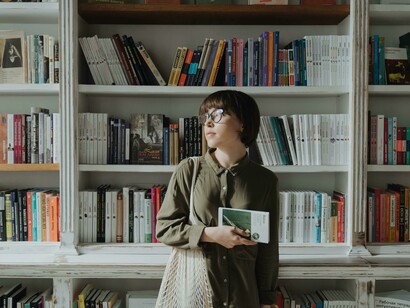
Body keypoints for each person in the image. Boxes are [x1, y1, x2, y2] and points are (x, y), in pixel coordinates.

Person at [156, 90, 279, 308]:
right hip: (195, 295)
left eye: (218, 114)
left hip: (244, 297)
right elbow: (165, 229)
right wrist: (209, 234)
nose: (208, 123)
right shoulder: (189, 170)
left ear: (242, 122)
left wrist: (267, 300)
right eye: (205, 117)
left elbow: (268, 249)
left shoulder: (265, 180)